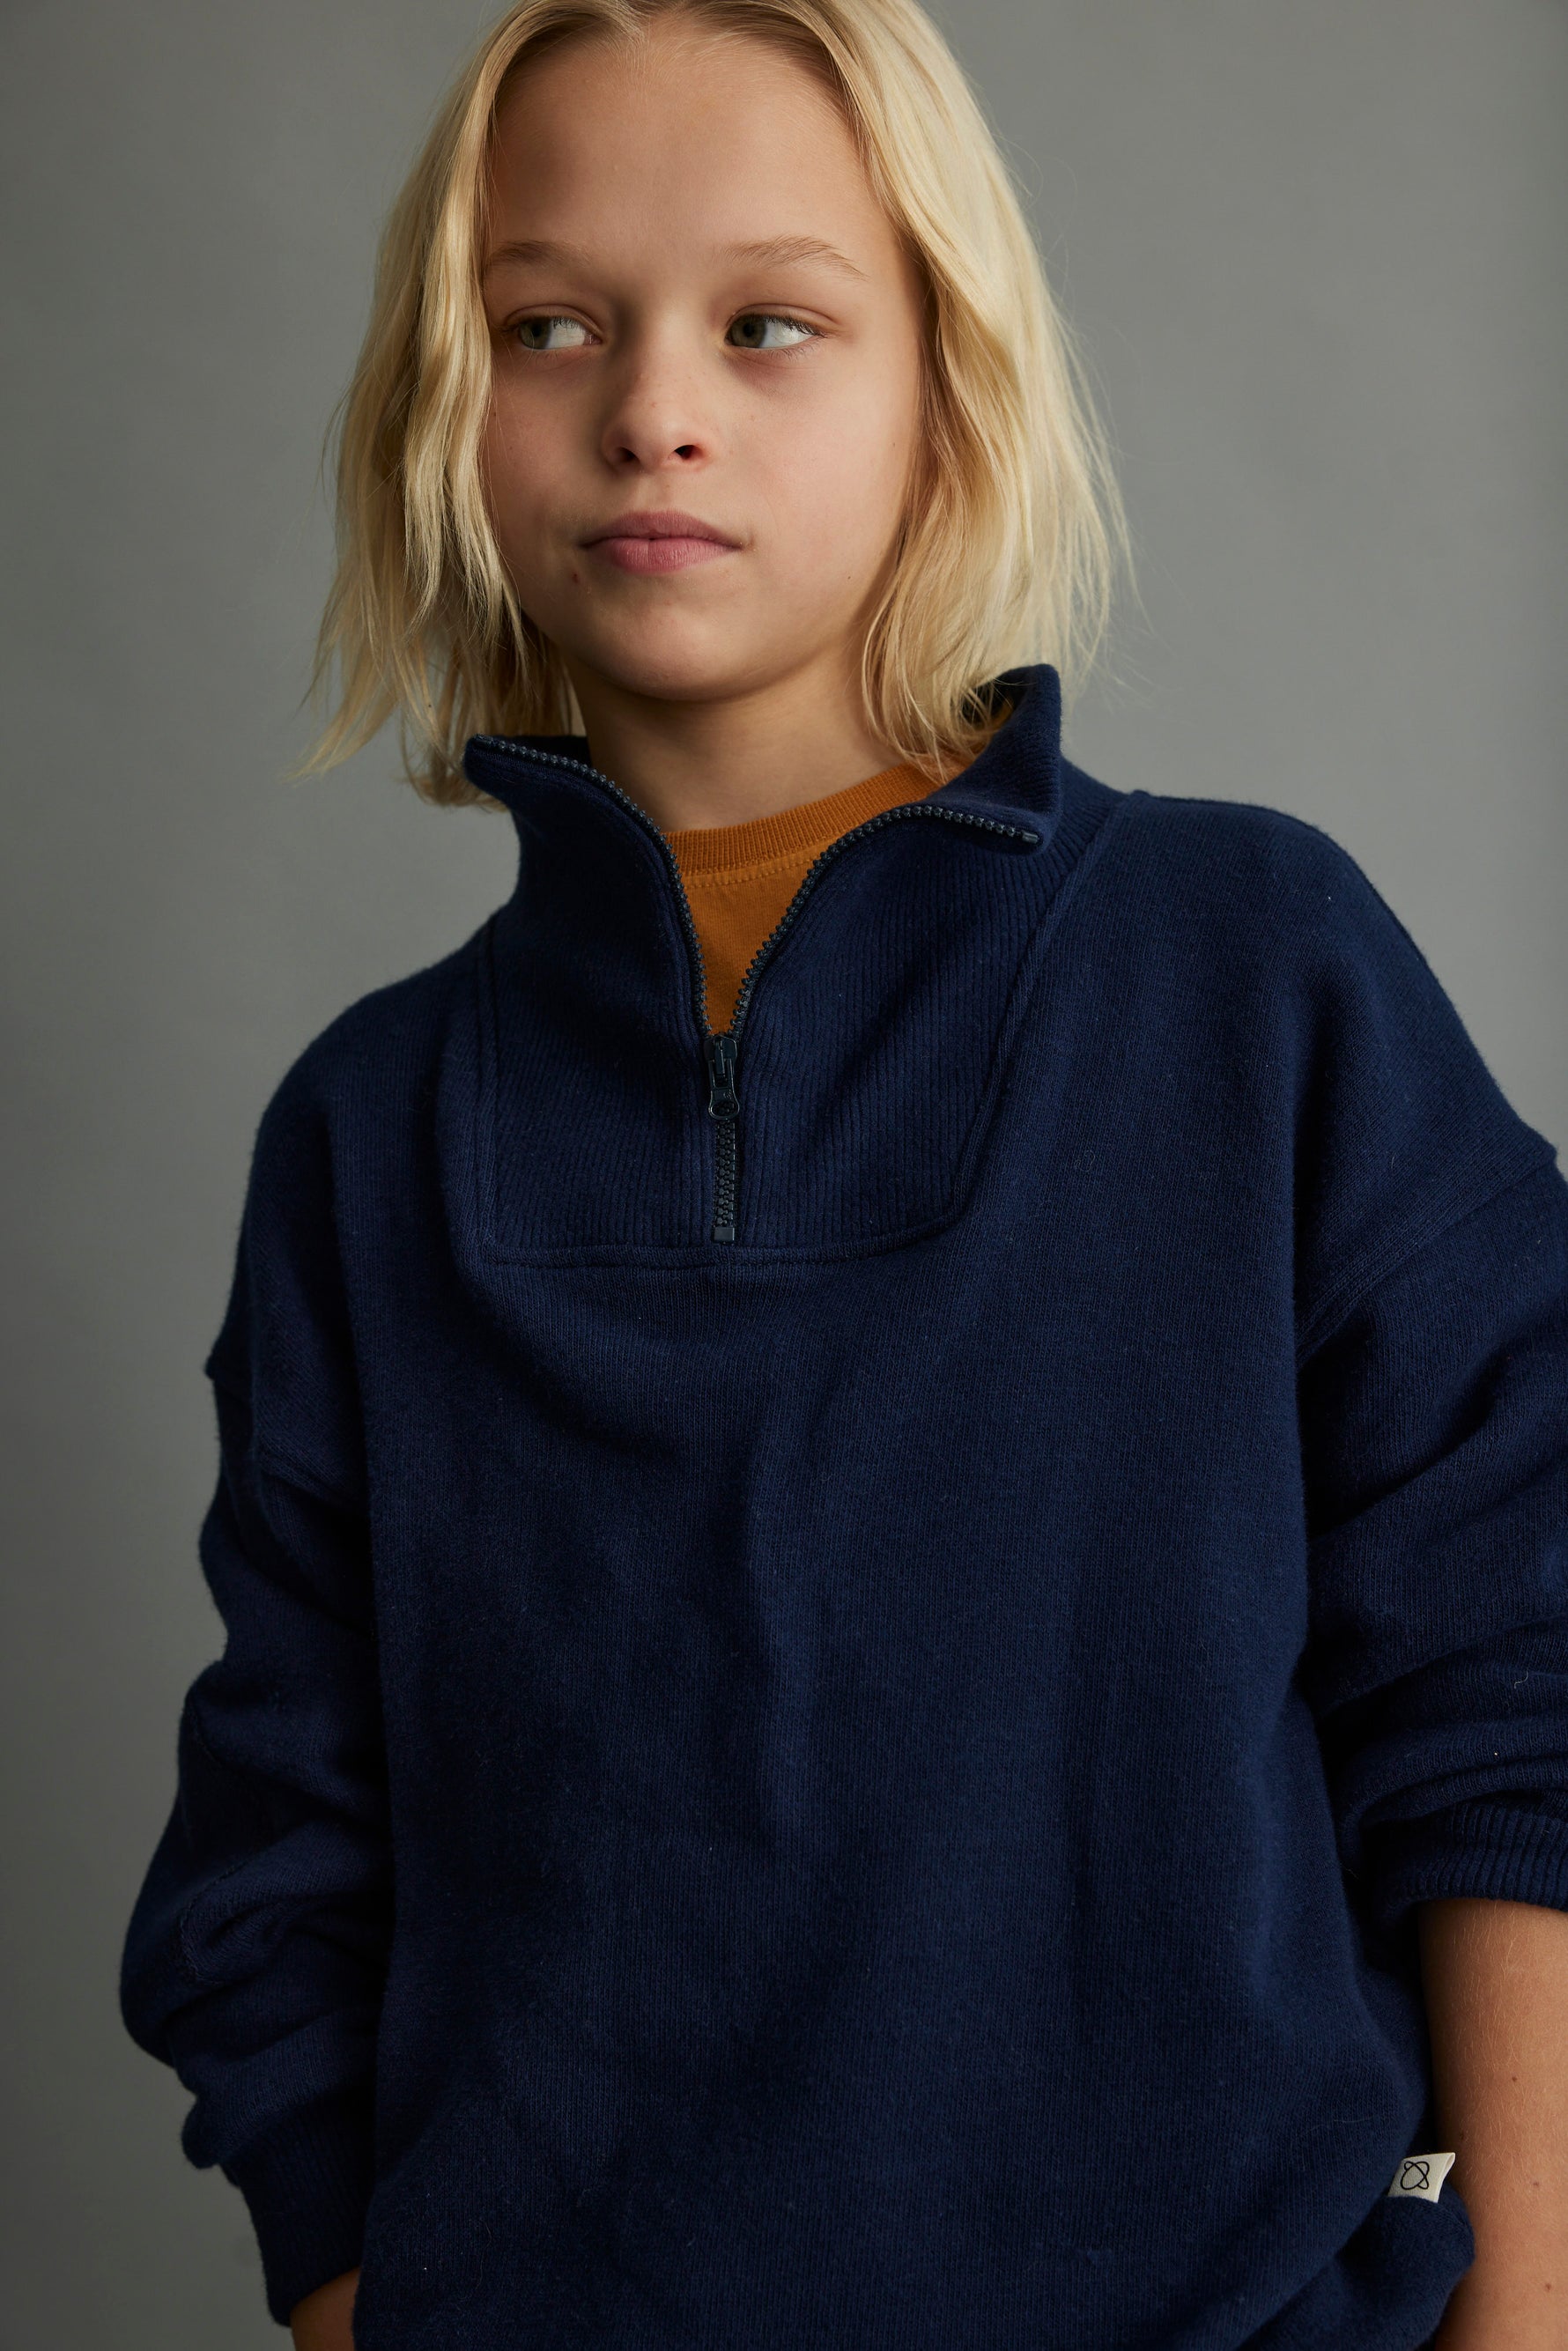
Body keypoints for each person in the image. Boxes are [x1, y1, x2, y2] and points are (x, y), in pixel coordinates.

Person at [120, 2, 1568, 2346]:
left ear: (945, 392)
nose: (653, 410)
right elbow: (282, 1848)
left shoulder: (1251, 968)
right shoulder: (368, 1132)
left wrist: (1528, 2304)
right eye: (547, 324)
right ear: (440, 407)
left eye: (769, 324)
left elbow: (1518, 1679)